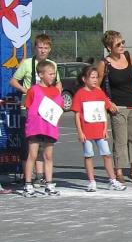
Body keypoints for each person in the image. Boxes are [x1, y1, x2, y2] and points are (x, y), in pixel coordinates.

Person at [9, 33, 62, 186]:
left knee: (44, 143)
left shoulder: (52, 64)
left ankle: (40, 176)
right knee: (29, 143)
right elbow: (13, 81)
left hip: (47, 108)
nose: (43, 50)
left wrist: (57, 95)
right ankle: (28, 178)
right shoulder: (27, 63)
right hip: (30, 106)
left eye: (46, 48)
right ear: (35, 48)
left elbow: (58, 83)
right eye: (40, 47)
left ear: (50, 49)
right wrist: (26, 90)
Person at [97, 31, 132, 184]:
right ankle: (119, 171)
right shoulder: (104, 64)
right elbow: (97, 87)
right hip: (117, 107)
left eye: (123, 42)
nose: (122, 46)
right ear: (109, 47)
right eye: (118, 44)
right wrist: (108, 102)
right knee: (120, 140)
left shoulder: (128, 56)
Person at [71, 65, 126, 192]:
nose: (95, 80)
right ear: (84, 79)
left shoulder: (99, 92)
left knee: (106, 154)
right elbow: (77, 114)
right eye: (92, 77)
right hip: (86, 131)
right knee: (88, 155)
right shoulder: (80, 94)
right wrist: (80, 132)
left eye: (96, 77)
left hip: (100, 131)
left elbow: (104, 110)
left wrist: (105, 128)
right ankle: (91, 181)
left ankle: (112, 180)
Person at [19, 61, 63, 197]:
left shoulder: (55, 91)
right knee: (32, 155)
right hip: (36, 128)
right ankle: (28, 184)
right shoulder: (33, 90)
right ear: (41, 75)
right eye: (50, 74)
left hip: (49, 128)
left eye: (54, 74)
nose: (53, 76)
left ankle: (49, 184)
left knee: (48, 156)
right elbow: (28, 107)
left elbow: (59, 108)